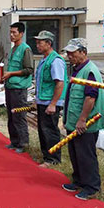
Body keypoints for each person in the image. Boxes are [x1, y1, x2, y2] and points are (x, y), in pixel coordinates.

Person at [61, 39, 104, 200]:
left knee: (85, 154)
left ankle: (92, 186)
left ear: (83, 52)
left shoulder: (90, 71)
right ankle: (79, 181)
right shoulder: (77, 69)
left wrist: (82, 119)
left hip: (85, 123)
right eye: (68, 53)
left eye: (72, 53)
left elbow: (90, 97)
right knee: (75, 153)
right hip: (74, 121)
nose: (69, 56)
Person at [33, 30, 67, 167]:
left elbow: (59, 83)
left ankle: (53, 159)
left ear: (48, 43)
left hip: (50, 102)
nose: (37, 45)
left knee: (50, 130)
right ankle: (46, 156)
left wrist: (53, 104)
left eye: (40, 43)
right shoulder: (44, 60)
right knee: (42, 130)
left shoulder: (55, 60)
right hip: (43, 100)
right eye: (37, 43)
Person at [0, 22, 33, 153]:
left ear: (21, 34)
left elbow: (29, 69)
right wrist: (4, 77)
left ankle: (23, 143)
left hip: (19, 88)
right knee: (11, 115)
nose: (12, 35)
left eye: (14, 33)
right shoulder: (13, 49)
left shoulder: (25, 49)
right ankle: (14, 141)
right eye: (10, 32)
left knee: (19, 116)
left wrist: (11, 74)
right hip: (10, 86)